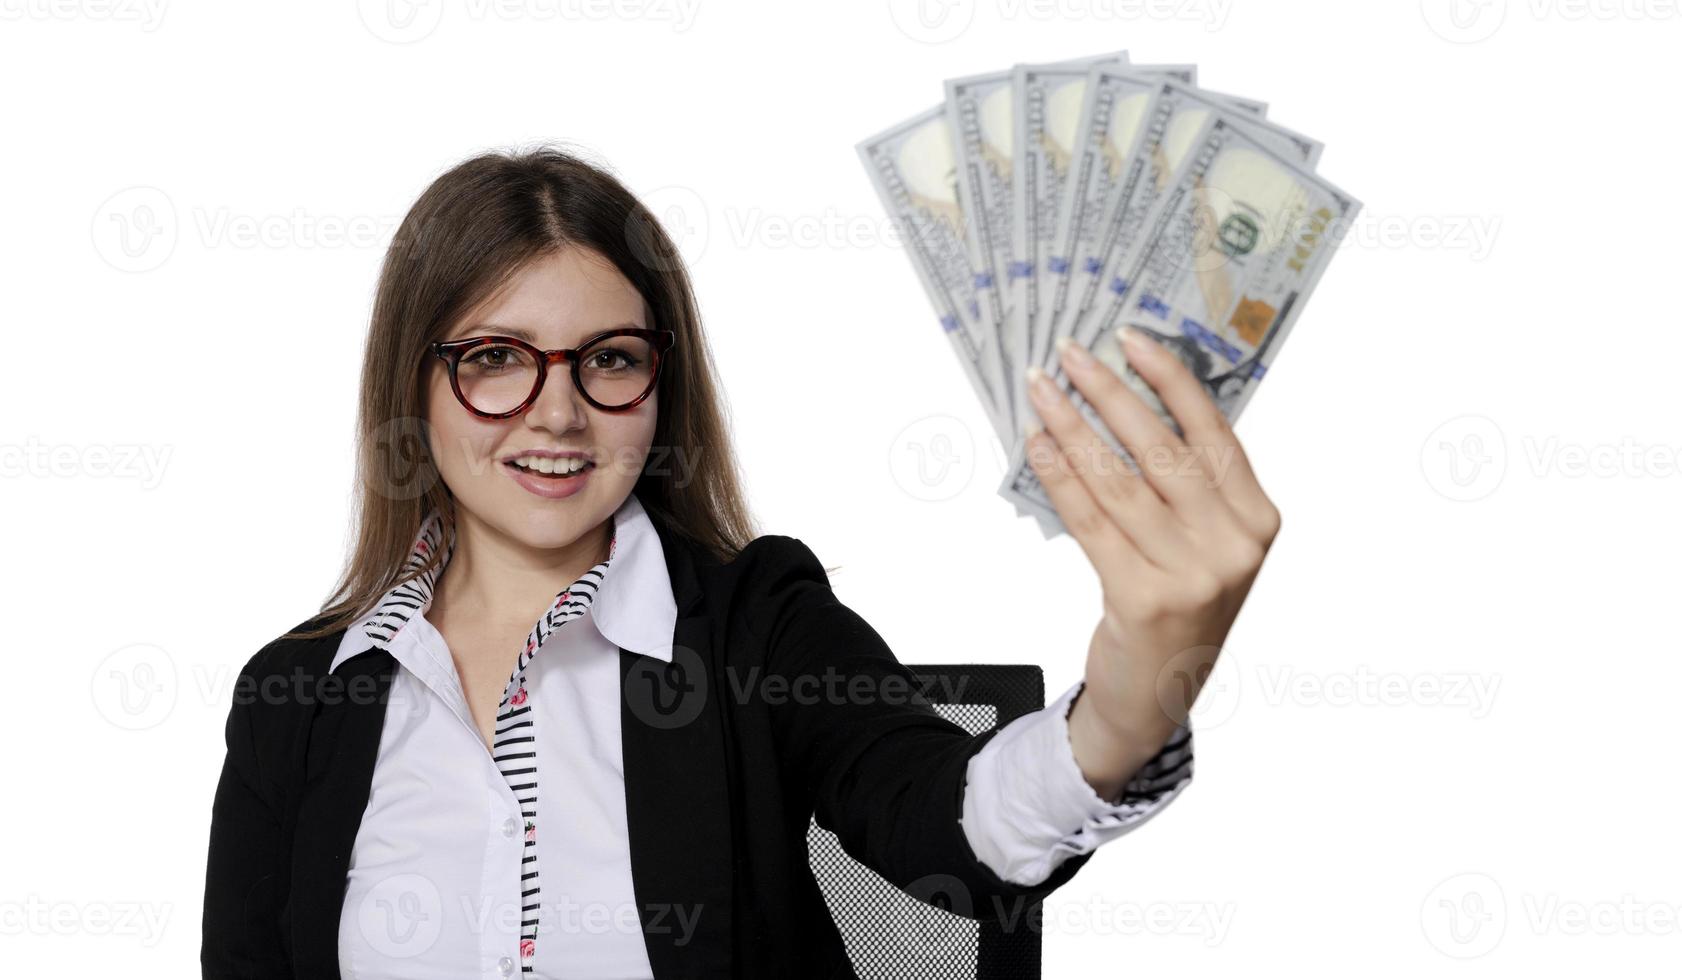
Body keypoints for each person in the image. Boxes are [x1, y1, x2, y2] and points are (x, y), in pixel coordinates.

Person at [201, 146, 1280, 979]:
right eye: (494, 358)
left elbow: (948, 820)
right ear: (414, 384)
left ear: (661, 383)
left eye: (610, 359)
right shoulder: (298, 695)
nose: (560, 410)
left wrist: (1134, 693)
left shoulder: (757, 623)